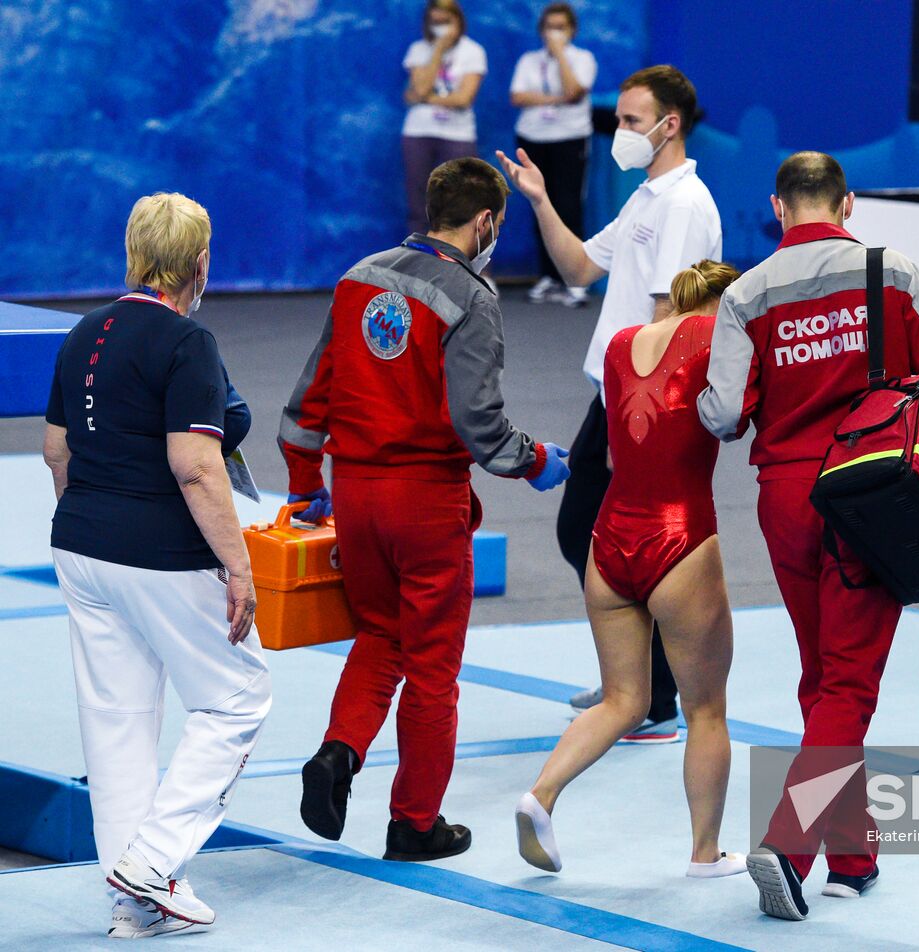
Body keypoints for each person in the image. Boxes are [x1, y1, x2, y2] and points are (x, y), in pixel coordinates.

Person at [697, 152, 919, 920]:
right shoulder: (894, 274)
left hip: (786, 498)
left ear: (777, 207)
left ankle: (853, 858)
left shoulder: (747, 293)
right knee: (848, 682)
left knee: (824, 674)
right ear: (848, 204)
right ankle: (791, 849)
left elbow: (723, 417)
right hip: (874, 492)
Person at [281, 157, 570, 862]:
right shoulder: (471, 297)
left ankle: (338, 755)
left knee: (379, 637)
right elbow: (478, 422)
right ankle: (414, 823)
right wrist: (534, 462)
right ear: (484, 222)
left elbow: (304, 404)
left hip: (354, 494)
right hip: (425, 503)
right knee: (434, 668)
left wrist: (301, 483)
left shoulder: (358, 277)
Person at [42, 192, 270, 936]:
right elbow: (197, 466)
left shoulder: (81, 333)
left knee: (117, 722)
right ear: (199, 263)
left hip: (79, 545)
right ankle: (153, 861)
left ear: (134, 254)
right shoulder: (186, 341)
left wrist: (90, 523)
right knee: (236, 699)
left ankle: (131, 905)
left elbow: (57, 451)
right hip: (158, 554)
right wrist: (238, 566)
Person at [497, 64, 721, 744]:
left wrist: (637, 420)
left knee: (616, 543)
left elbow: (667, 320)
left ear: (668, 124)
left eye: (630, 121)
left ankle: (650, 700)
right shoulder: (646, 198)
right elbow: (579, 269)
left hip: (644, 406)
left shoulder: (684, 206)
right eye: (620, 119)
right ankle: (635, 684)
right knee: (587, 536)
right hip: (616, 396)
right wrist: (539, 199)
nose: (620, 132)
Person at [515, 260, 747, 879]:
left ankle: (540, 794)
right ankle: (705, 855)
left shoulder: (620, 345)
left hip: (611, 539)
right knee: (705, 710)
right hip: (681, 538)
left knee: (622, 698)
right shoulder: (719, 339)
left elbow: (623, 441)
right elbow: (738, 418)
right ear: (725, 305)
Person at [510, 2, 597, 307]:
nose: (554, 33)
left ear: (571, 30)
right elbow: (517, 96)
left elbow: (575, 92)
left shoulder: (583, 58)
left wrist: (559, 54)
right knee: (540, 205)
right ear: (541, 30)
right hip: (533, 137)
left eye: (561, 27)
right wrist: (556, 98)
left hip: (570, 139)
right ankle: (548, 275)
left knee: (569, 206)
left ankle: (574, 280)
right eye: (550, 27)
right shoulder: (529, 60)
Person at [402, 0, 488, 234]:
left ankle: (472, 264)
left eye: (446, 22)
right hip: (418, 133)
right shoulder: (418, 50)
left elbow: (463, 99)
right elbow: (418, 90)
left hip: (457, 134)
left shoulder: (473, 51)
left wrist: (423, 98)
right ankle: (420, 263)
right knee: (420, 200)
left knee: (465, 199)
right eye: (435, 22)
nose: (441, 27)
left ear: (458, 21)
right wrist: (438, 49)